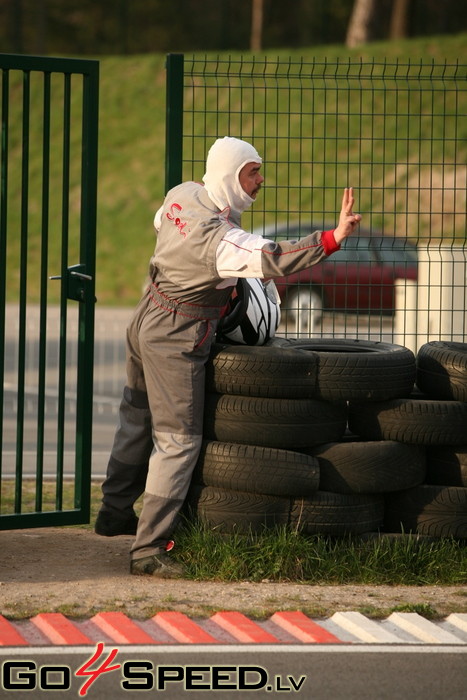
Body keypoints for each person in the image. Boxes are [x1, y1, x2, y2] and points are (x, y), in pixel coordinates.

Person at [95, 136, 361, 577]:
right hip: (176, 333)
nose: (261, 180)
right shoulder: (219, 240)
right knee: (178, 441)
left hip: (146, 313)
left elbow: (161, 220)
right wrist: (331, 239)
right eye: (252, 172)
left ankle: (113, 513)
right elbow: (271, 258)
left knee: (136, 416)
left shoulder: (183, 194)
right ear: (229, 173)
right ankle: (148, 549)